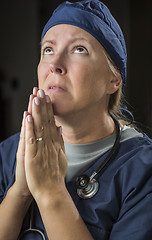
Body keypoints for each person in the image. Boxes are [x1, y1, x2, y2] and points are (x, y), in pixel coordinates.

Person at [0, 0, 152, 239]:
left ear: (114, 80)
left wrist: (52, 193)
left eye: (79, 49)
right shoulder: (9, 153)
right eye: (48, 50)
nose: (55, 65)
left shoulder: (143, 170)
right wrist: (20, 191)